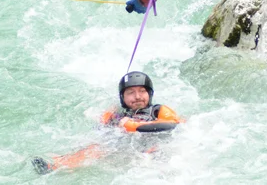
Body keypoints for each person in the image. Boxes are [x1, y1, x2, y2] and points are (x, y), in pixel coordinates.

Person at [31, 71, 182, 175]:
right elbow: (99, 132)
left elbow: (171, 125)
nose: (137, 96)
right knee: (95, 148)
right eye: (130, 92)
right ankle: (57, 166)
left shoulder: (159, 110)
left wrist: (133, 126)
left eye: (142, 91)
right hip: (124, 148)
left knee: (153, 157)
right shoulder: (115, 113)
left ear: (149, 94)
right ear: (122, 97)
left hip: (154, 147)